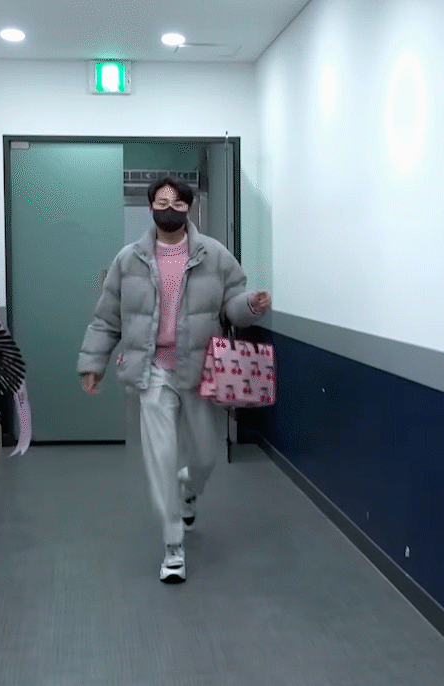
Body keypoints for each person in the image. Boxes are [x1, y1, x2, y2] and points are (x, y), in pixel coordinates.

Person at [77, 175, 271, 583]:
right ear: (150, 208)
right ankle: (173, 547)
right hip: (152, 371)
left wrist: (251, 305)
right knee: (161, 461)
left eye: (177, 203)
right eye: (162, 202)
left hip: (200, 371)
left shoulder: (214, 255)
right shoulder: (128, 259)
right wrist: (93, 363)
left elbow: (233, 304)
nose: (169, 209)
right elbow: (107, 316)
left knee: (205, 456)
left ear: (188, 207)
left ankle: (189, 490)